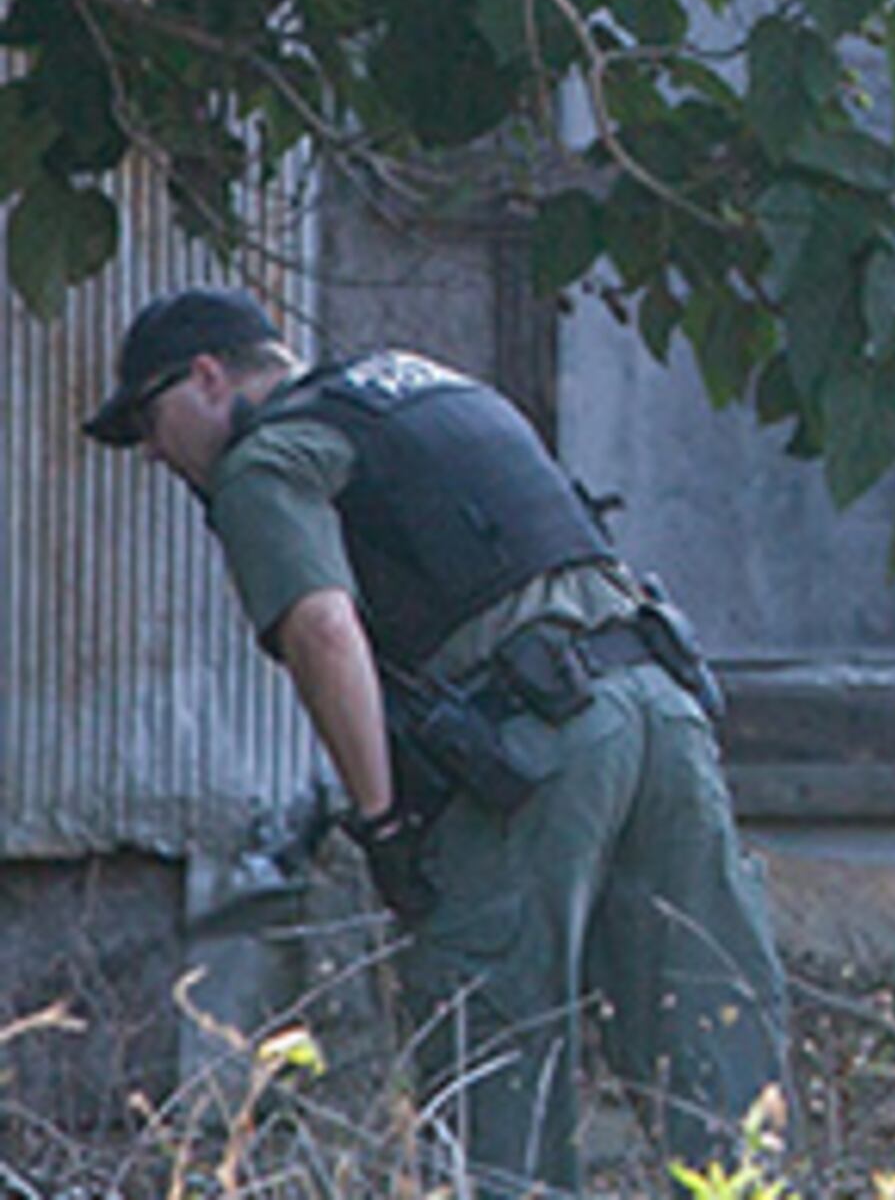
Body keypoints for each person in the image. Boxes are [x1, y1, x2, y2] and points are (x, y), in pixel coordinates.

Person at [81, 287, 784, 1195]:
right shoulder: (431, 387)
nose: (149, 449)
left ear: (209, 376)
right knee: (717, 1056)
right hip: (664, 712)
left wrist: (384, 824)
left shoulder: (265, 458)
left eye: (148, 417)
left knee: (494, 1083)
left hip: (533, 755)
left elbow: (322, 630)